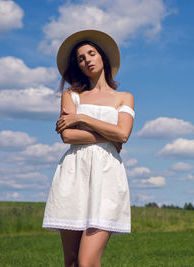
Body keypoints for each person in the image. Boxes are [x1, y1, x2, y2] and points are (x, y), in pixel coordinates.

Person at [42, 29, 135, 267]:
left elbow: (123, 134)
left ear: (102, 57)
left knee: (86, 261)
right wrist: (108, 135)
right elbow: (68, 136)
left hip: (107, 177)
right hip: (73, 176)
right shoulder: (71, 95)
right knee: (72, 262)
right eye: (81, 58)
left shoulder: (124, 97)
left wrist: (82, 119)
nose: (87, 60)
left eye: (91, 53)